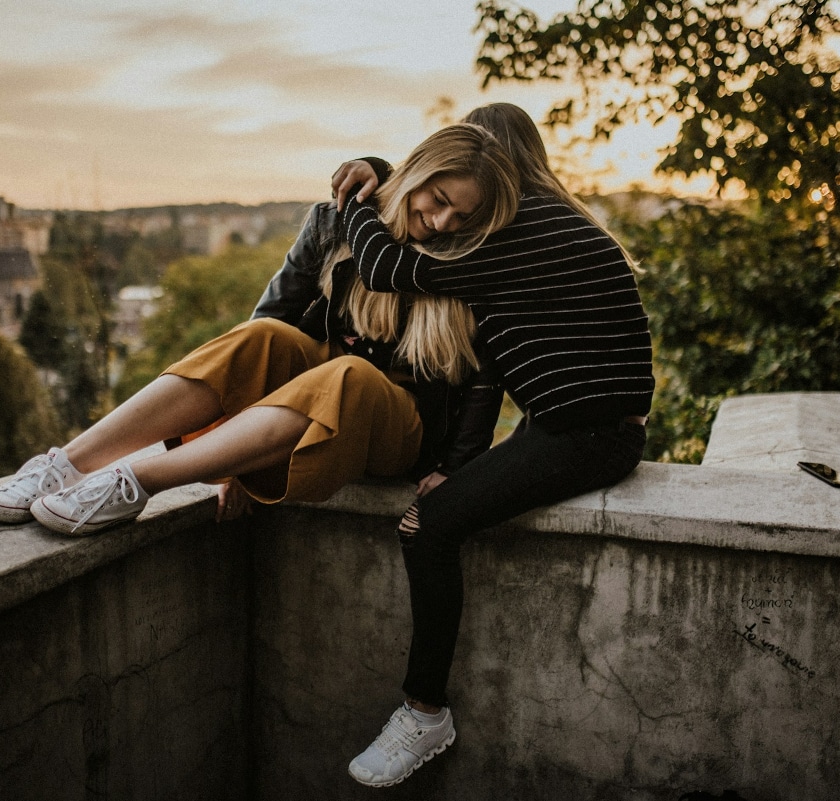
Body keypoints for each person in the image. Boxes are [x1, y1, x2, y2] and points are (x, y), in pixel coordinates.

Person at [0, 123, 520, 540]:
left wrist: (457, 468)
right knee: (262, 338)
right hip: (315, 386)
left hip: (400, 421)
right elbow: (273, 315)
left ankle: (137, 482)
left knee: (348, 374)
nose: (445, 223)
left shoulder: (469, 259)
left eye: (461, 217)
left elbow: (483, 375)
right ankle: (65, 464)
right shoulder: (339, 220)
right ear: (417, 175)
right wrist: (233, 456)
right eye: (440, 201)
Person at [335, 103, 655, 787]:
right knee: (440, 507)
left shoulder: (514, 234)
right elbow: (490, 364)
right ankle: (422, 711)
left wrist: (359, 192)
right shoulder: (542, 228)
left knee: (428, 528)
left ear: (496, 168)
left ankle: (424, 712)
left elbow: (387, 265)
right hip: (569, 427)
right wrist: (462, 464)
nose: (455, 219)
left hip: (591, 437)